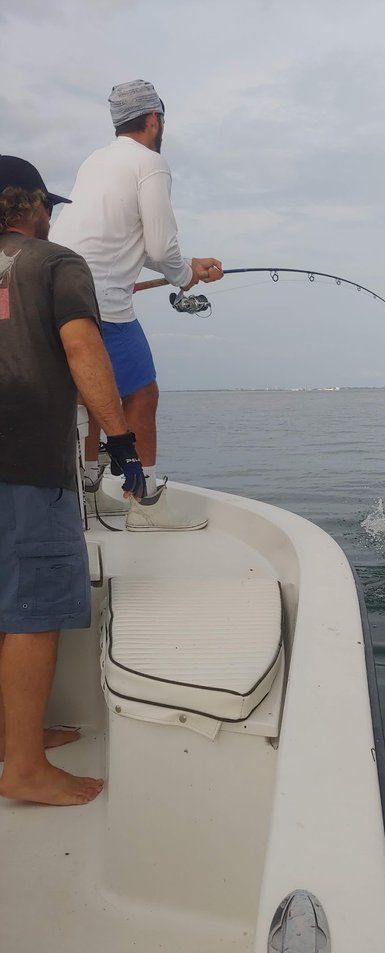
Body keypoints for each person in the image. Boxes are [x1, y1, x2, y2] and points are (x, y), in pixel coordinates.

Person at [0, 155, 145, 806]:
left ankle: (11, 738)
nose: (53, 217)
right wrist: (122, 443)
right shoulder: (56, 265)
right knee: (31, 609)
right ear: (28, 206)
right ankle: (24, 769)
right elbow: (85, 349)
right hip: (27, 463)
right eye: (48, 206)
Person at [50, 79, 223, 530]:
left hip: (56, 290)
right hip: (101, 300)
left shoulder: (95, 162)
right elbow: (163, 246)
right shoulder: (151, 162)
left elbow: (131, 240)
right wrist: (184, 275)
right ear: (154, 119)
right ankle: (144, 507)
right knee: (142, 395)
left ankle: (87, 494)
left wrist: (187, 266)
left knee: (89, 399)